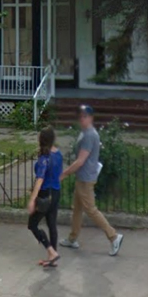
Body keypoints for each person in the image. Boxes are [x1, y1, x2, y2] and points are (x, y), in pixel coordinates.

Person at [62, 104, 123, 256]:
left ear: (90, 118)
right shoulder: (85, 132)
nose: (81, 119)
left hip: (86, 178)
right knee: (77, 209)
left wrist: (64, 174)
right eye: (80, 116)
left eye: (84, 116)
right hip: (82, 177)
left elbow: (80, 160)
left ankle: (113, 236)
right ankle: (72, 238)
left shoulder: (89, 135)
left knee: (90, 209)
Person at [26, 126, 62, 268]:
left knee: (32, 225)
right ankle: (53, 257)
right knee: (52, 224)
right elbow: (59, 174)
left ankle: (51, 251)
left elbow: (40, 179)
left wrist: (32, 200)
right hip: (56, 192)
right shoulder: (58, 154)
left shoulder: (44, 158)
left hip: (45, 194)